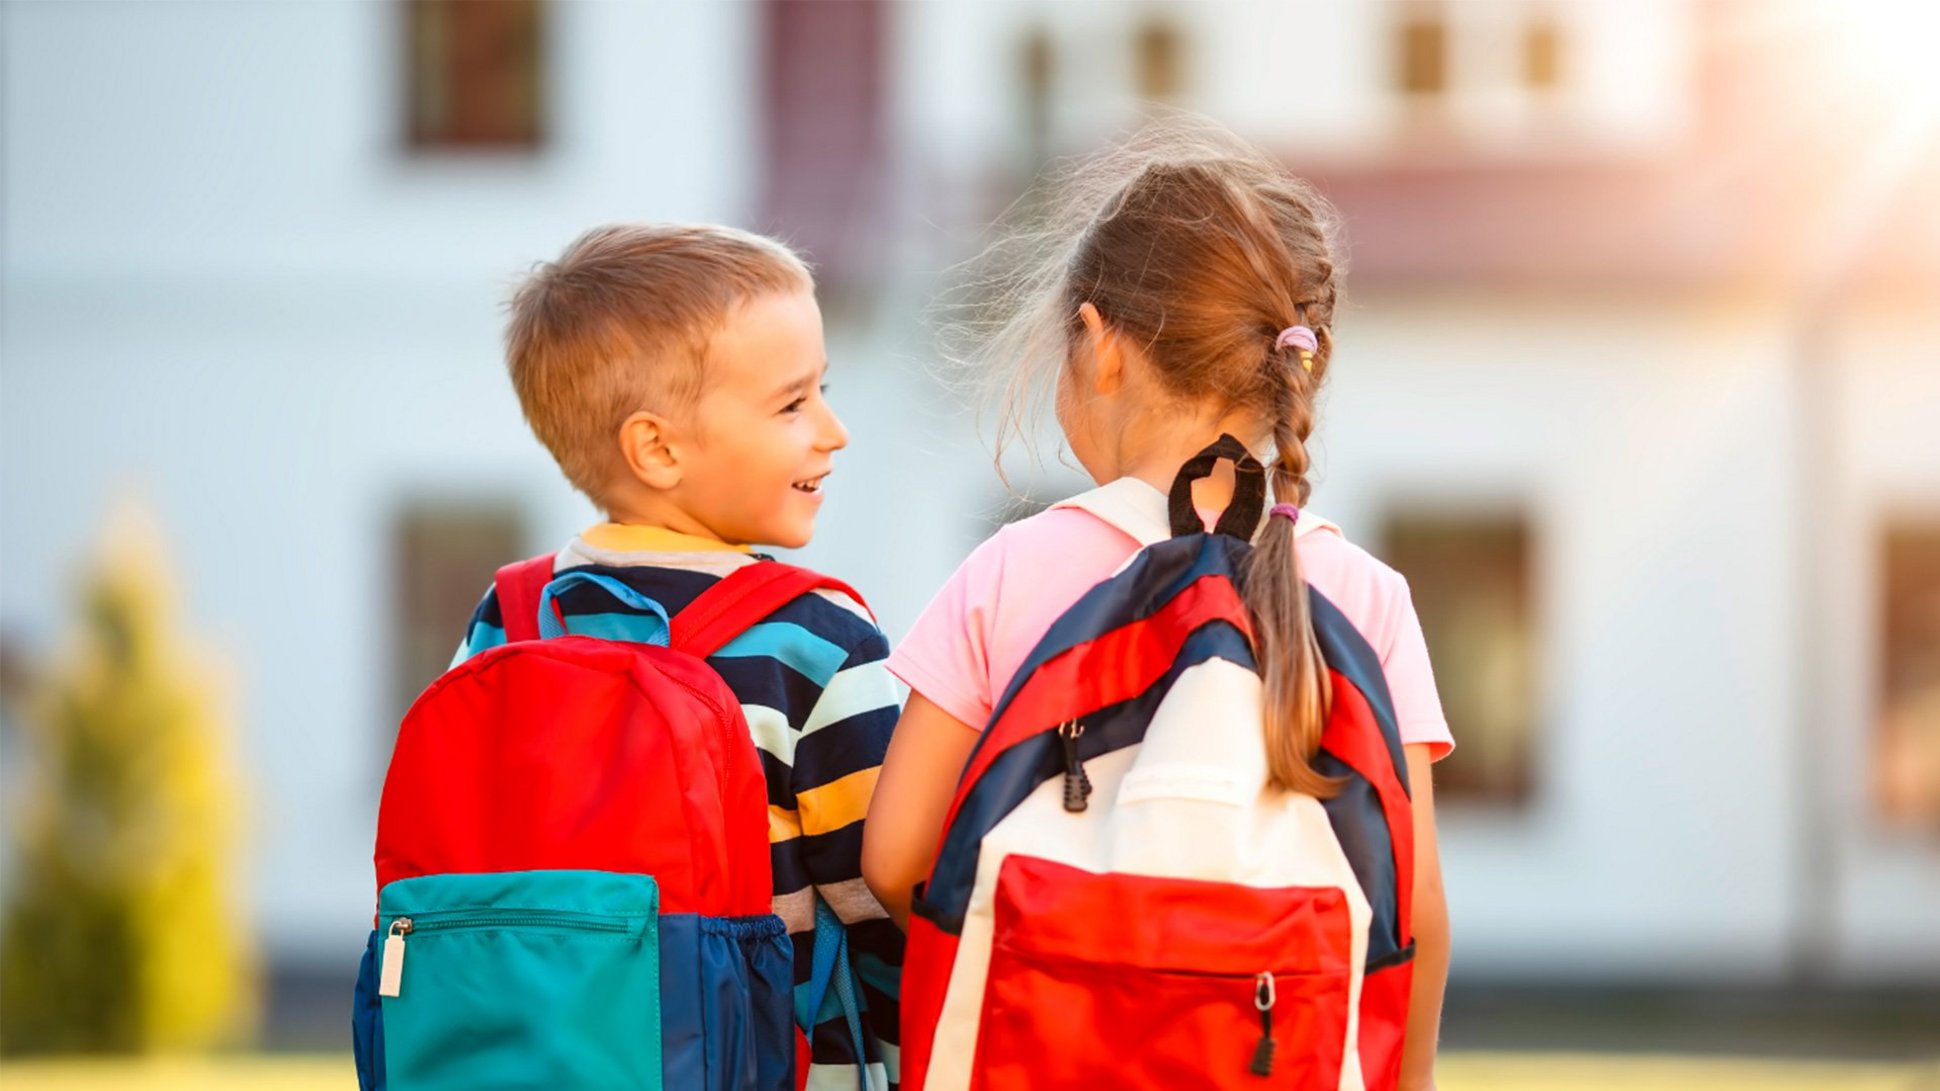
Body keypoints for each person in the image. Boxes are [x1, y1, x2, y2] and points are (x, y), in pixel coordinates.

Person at [862, 125, 1451, 1090]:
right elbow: (1415, 904)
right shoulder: (1365, 595)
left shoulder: (1014, 568)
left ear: (1099, 347)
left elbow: (897, 857)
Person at [461, 223, 902, 1089]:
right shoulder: (814, 642)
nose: (834, 430)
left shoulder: (509, 620)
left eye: (824, 390)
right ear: (657, 448)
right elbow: (886, 896)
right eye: (793, 403)